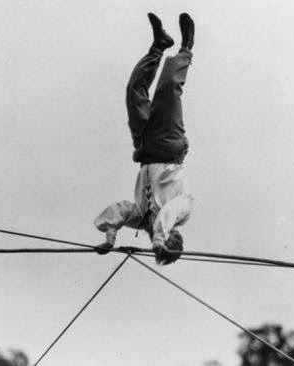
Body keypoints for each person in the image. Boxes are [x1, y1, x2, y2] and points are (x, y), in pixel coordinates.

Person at [93, 13, 195, 265]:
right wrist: (160, 242)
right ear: (174, 236)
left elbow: (122, 211)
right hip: (168, 146)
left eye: (159, 243)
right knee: (168, 88)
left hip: (145, 147)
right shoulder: (183, 212)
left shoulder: (142, 218)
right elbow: (167, 215)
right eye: (170, 240)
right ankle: (186, 48)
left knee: (134, 91)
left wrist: (110, 234)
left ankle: (159, 45)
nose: (160, 238)